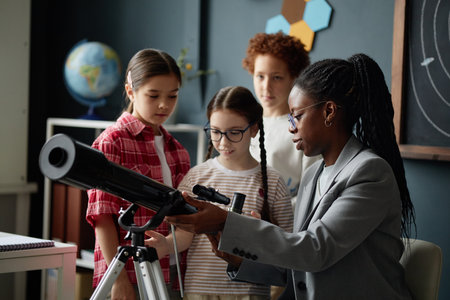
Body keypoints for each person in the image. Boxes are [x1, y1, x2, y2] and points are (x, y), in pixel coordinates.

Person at [166, 54, 416, 299]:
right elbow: (296, 266)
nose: (291, 126)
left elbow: (315, 250)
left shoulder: (369, 173)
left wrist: (225, 222)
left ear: (329, 111)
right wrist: (240, 261)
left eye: (297, 115)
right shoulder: (312, 176)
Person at [146, 86, 294, 299]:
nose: (223, 142)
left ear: (254, 129)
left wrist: (260, 232)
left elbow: (287, 248)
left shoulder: (273, 182)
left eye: (234, 132)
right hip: (200, 290)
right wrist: (165, 245)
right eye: (215, 132)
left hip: (249, 293)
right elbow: (185, 234)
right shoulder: (196, 177)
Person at [86, 48, 191, 300]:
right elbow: (102, 217)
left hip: (171, 271)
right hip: (126, 272)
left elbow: (185, 217)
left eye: (172, 95)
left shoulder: (177, 150)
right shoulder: (112, 142)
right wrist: (118, 278)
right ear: (131, 91)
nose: (164, 104)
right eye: (153, 95)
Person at [243, 32, 320, 206]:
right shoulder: (243, 124)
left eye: (277, 77)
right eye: (260, 76)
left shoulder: (303, 128)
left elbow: (312, 193)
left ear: (294, 77)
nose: (266, 86)